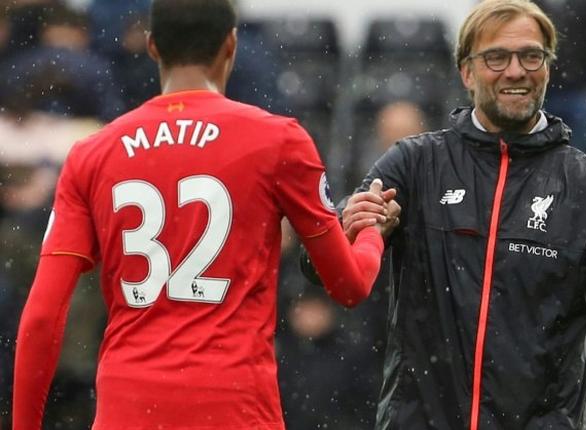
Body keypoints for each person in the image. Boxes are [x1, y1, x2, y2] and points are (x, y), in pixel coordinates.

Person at [327, 1, 586, 429]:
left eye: (531, 56)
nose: (515, 71)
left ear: (547, 67)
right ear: (466, 73)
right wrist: (352, 225)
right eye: (496, 57)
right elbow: (324, 261)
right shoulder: (414, 164)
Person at [12, 0, 398, 429]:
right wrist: (371, 233)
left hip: (129, 406)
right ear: (230, 44)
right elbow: (348, 285)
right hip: (233, 405)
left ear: (153, 47)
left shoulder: (93, 153)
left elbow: (44, 315)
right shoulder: (278, 141)